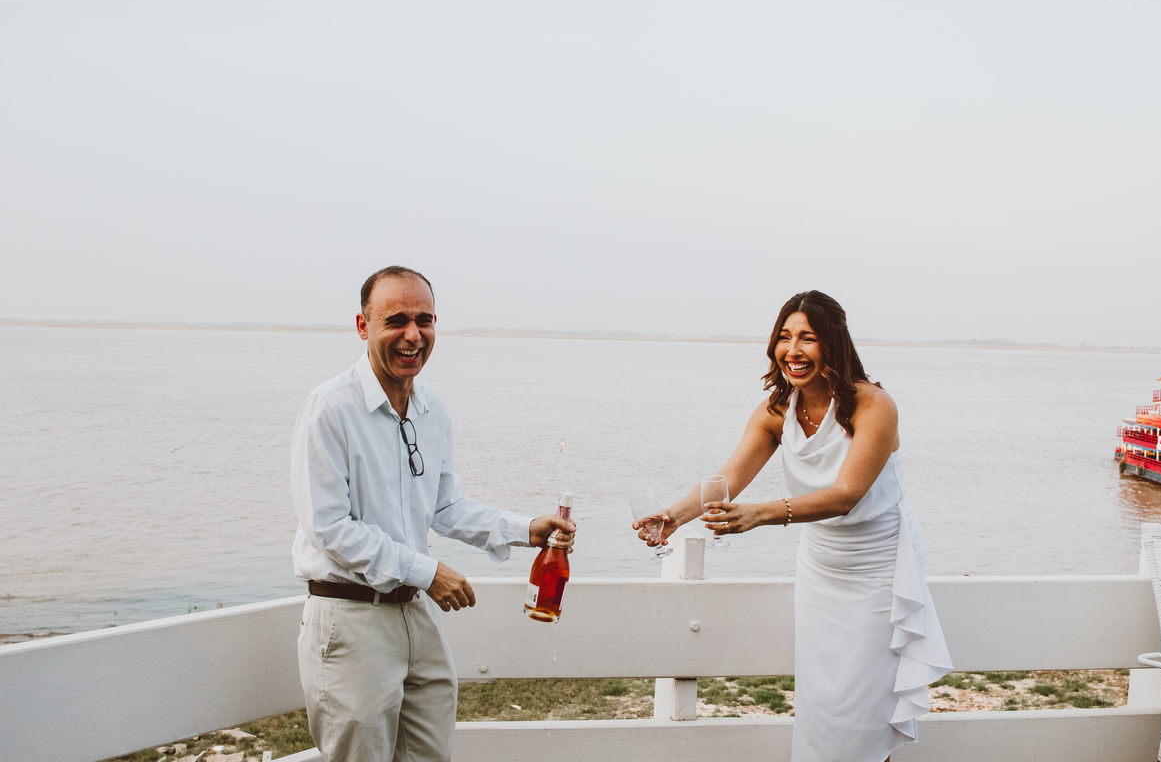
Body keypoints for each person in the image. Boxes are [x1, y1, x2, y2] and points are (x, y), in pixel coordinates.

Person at [635, 291, 952, 762]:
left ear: (834, 343)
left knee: (868, 712)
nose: (793, 350)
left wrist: (762, 515)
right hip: (821, 573)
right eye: (784, 337)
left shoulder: (875, 406)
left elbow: (847, 495)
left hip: (878, 572)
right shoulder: (775, 411)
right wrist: (675, 517)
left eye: (808, 337)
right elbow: (727, 480)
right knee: (824, 704)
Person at [291, 265, 575, 762]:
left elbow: (446, 507)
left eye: (424, 320)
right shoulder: (329, 408)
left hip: (415, 617)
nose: (412, 334)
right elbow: (329, 528)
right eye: (396, 319)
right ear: (363, 326)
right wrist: (428, 572)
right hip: (351, 616)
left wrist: (525, 529)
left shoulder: (432, 409)